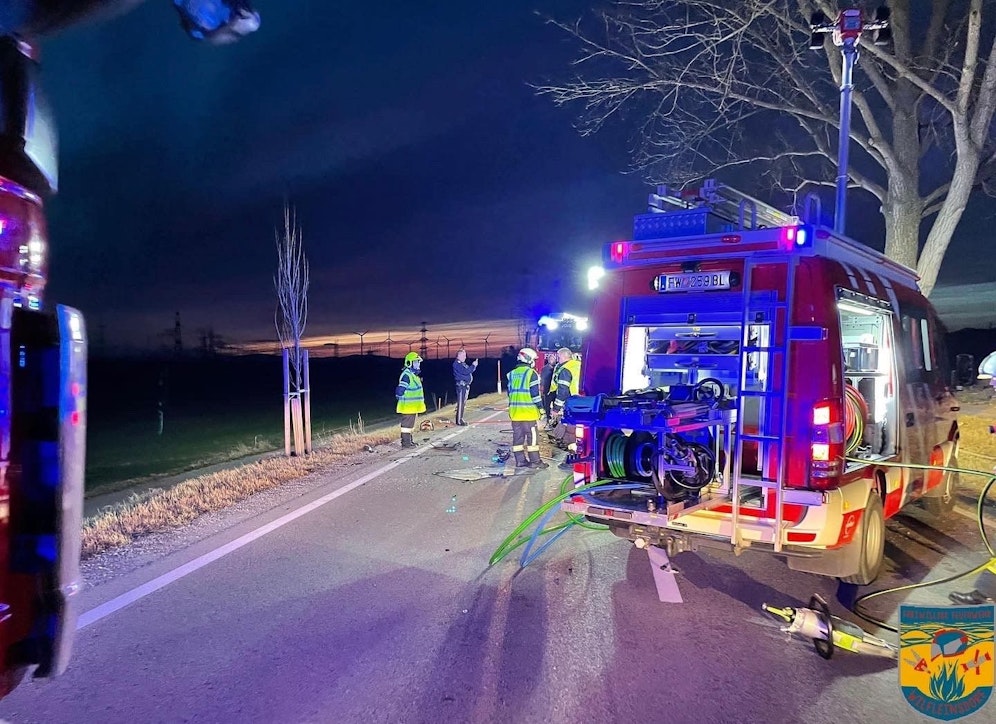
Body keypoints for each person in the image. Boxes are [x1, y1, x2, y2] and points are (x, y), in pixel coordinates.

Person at [506, 347, 548, 469]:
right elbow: (535, 395)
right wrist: (541, 409)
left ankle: (520, 461)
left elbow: (509, 393)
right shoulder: (531, 374)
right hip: (528, 413)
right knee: (532, 438)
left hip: (515, 413)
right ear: (529, 359)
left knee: (517, 438)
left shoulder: (511, 374)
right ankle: (535, 462)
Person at [550, 347, 582, 451]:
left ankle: (573, 453)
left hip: (571, 401)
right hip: (584, 400)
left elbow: (563, 391)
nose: (557, 359)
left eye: (558, 357)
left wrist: (555, 409)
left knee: (570, 428)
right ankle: (576, 449)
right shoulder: (578, 365)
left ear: (564, 356)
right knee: (577, 427)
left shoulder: (565, 370)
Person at [395, 352, 426, 448]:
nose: (418, 364)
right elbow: (400, 390)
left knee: (410, 426)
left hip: (412, 407)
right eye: (416, 362)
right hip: (408, 407)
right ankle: (406, 443)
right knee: (406, 427)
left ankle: (409, 441)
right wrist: (400, 397)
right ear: (409, 363)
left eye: (418, 362)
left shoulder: (412, 375)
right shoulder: (407, 375)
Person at [452, 349, 478, 426]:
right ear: (458, 355)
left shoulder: (463, 363)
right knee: (461, 403)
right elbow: (465, 371)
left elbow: (468, 371)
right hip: (461, 386)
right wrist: (473, 365)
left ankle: (461, 418)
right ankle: (459, 420)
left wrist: (473, 366)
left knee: (463, 403)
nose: (465, 357)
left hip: (465, 386)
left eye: (465, 355)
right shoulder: (457, 363)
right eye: (463, 355)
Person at [540, 353, 557, 423]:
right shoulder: (545, 368)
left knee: (556, 405)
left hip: (555, 390)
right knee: (547, 405)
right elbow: (542, 378)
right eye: (550, 359)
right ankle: (548, 417)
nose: (552, 360)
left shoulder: (557, 367)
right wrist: (542, 387)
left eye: (553, 359)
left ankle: (555, 418)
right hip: (547, 389)